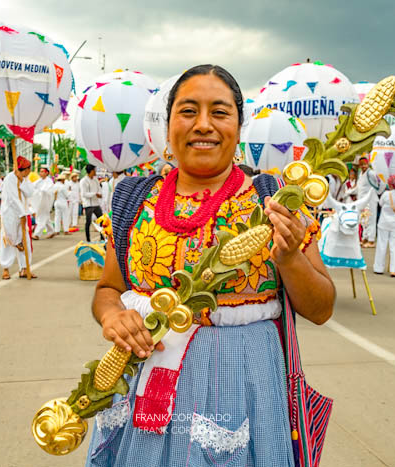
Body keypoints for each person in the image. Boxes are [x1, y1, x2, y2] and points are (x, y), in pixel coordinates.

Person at [85, 65, 334, 467]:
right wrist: (113, 316)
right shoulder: (134, 200)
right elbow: (107, 289)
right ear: (168, 128)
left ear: (239, 126)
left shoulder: (273, 201)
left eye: (219, 112)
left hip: (241, 391)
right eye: (187, 111)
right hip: (141, 386)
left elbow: (321, 308)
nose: (203, 125)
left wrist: (287, 257)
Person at [0, 156, 36, 279]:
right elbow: (13, 199)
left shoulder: (24, 179)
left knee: (24, 240)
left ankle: (24, 268)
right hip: (10, 214)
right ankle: (6, 268)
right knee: (7, 240)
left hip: (22, 213)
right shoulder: (10, 179)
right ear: (25, 169)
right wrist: (22, 214)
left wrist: (23, 181)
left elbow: (30, 192)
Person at [356, 156, 381, 247]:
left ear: (368, 164)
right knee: (364, 220)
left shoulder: (370, 173)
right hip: (362, 201)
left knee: (371, 219)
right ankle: (365, 238)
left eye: (365, 164)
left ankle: (371, 240)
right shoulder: (360, 174)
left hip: (371, 200)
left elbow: (380, 181)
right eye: (361, 164)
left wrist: (378, 191)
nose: (363, 166)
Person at [79, 164, 103, 242]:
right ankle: (88, 239)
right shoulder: (83, 181)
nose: (96, 171)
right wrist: (95, 194)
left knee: (102, 220)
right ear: (91, 171)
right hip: (88, 204)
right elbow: (84, 194)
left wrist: (99, 194)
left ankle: (102, 237)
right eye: (95, 170)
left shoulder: (95, 179)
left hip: (96, 203)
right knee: (88, 222)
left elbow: (99, 188)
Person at [31, 167, 56, 240]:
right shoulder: (39, 181)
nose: (41, 173)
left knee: (41, 218)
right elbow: (32, 187)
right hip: (39, 202)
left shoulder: (49, 182)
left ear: (46, 173)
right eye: (40, 171)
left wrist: (39, 191)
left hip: (45, 203)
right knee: (46, 218)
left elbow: (45, 190)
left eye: (42, 171)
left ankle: (37, 234)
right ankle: (51, 231)